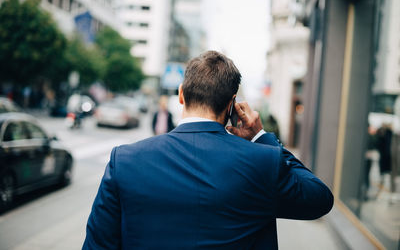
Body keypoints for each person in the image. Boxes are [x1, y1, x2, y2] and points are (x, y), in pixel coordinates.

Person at [83, 51, 333, 250]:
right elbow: (319, 199)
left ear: (181, 95)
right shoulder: (263, 162)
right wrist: (260, 136)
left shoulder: (125, 161)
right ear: (231, 105)